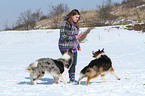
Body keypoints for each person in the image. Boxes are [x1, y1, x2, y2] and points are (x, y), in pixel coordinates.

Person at [58, 9, 82, 83]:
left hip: (73, 47)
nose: (77, 19)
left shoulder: (75, 24)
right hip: (65, 46)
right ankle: (57, 75)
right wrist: (74, 38)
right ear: (71, 16)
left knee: (73, 63)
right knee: (66, 64)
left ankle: (72, 79)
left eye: (78, 17)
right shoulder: (65, 24)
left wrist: (78, 45)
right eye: (76, 17)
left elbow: (76, 36)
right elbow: (63, 36)